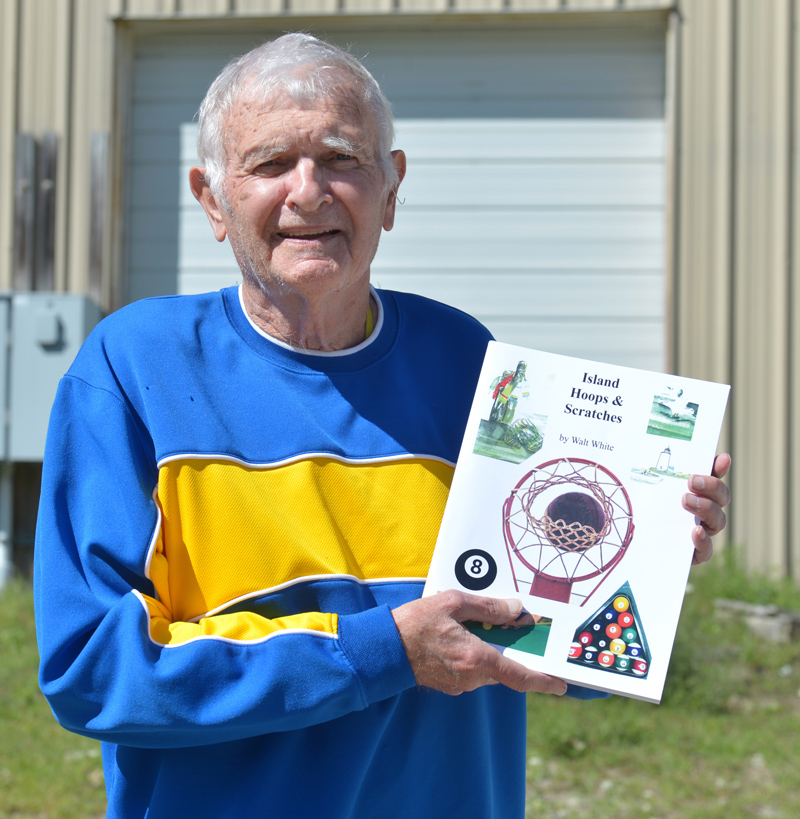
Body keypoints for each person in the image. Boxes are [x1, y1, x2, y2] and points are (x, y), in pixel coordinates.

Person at [33, 33, 731, 819]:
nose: (309, 191)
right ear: (211, 199)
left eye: (342, 159)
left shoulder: (467, 360)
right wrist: (382, 650)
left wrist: (640, 559)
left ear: (392, 188)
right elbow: (95, 670)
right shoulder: (133, 370)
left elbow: (526, 642)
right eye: (268, 164)